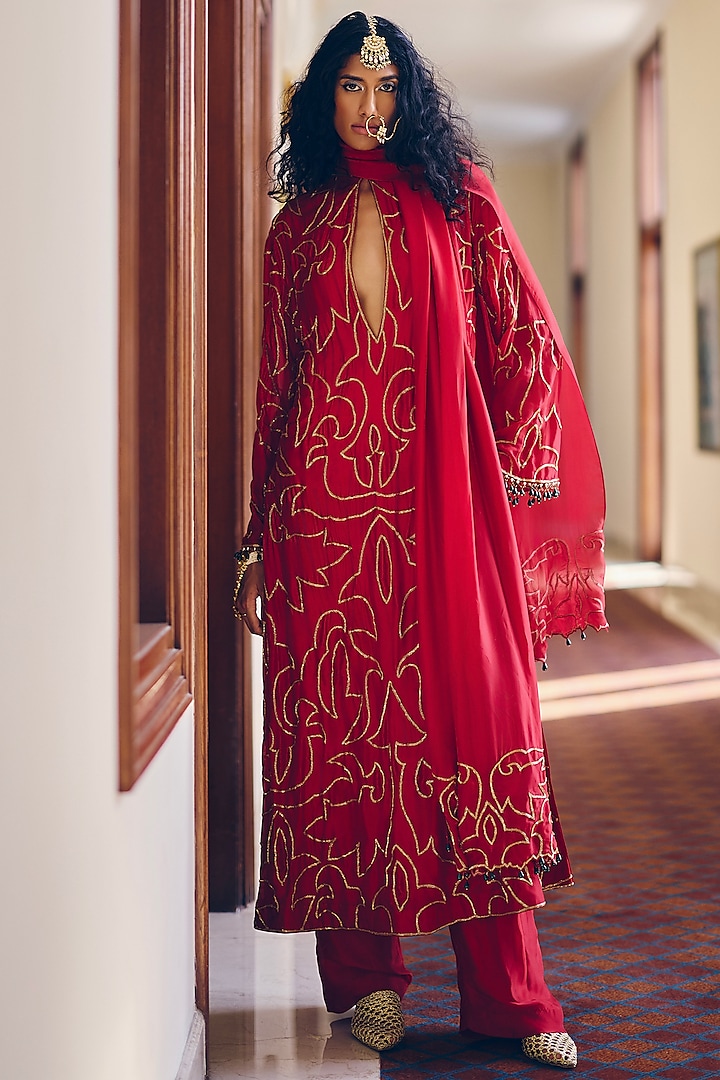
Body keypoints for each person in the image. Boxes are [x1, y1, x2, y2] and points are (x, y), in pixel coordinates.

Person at [234, 11, 607, 1071]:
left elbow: (525, 332)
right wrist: (259, 539)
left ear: (411, 96)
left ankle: (512, 995)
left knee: (477, 728)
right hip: (326, 519)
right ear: (321, 101)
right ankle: (366, 983)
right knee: (343, 734)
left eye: (385, 87)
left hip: (447, 506)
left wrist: (520, 472)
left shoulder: (462, 202)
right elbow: (275, 390)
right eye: (349, 88)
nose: (369, 108)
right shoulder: (294, 230)